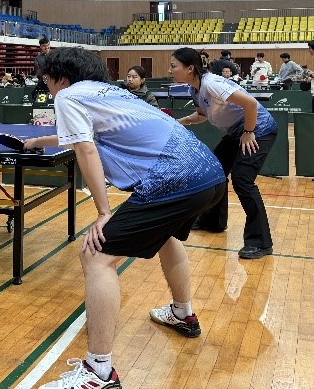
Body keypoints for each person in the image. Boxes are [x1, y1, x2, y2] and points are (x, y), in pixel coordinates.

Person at [23, 47, 226, 389]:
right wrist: (36, 142)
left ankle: (98, 372)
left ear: (61, 77)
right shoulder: (110, 92)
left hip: (173, 178)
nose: (48, 88)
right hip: (210, 174)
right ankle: (183, 313)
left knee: (96, 255)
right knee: (166, 236)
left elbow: (86, 148)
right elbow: (85, 136)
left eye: (47, 80)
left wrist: (104, 213)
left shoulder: (69, 95)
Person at [170, 47, 277, 259]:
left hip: (258, 129)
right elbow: (201, 115)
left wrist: (249, 132)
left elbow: (250, 104)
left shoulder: (212, 84)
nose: (170, 70)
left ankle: (261, 243)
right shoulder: (195, 89)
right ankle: (214, 222)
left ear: (190, 68)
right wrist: (179, 122)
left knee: (242, 181)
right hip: (238, 132)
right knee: (215, 172)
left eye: (174, 66)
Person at [31, 36, 51, 101]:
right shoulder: (37, 58)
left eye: (48, 45)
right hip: (43, 85)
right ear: (40, 47)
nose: (46, 47)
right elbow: (37, 71)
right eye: (44, 46)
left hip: (54, 85)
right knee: (41, 103)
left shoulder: (55, 56)